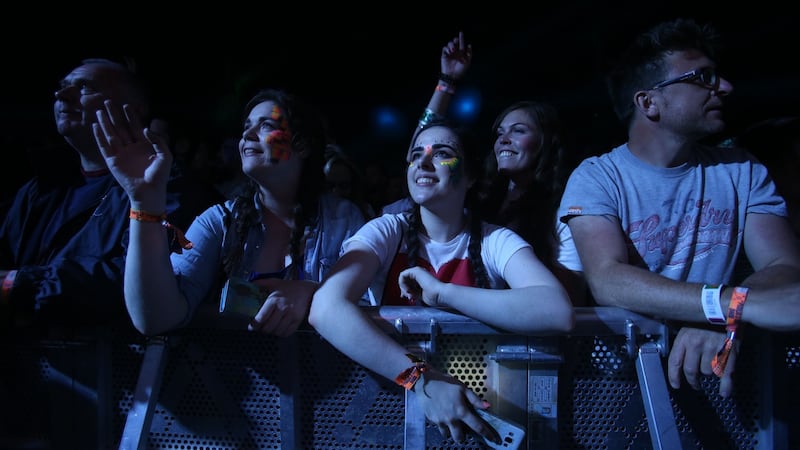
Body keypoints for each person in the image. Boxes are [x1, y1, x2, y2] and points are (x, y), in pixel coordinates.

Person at [557, 17, 800, 399]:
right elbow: (608, 280)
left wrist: (719, 318)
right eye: (702, 77)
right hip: (619, 386)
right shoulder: (598, 176)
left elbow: (784, 265)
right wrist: (727, 307)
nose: (724, 87)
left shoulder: (742, 170)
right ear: (649, 102)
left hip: (719, 381)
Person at [308, 119, 575, 443]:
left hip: (472, 419)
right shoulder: (386, 230)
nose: (423, 162)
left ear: (471, 176)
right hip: (389, 415)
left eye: (442, 153)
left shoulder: (495, 240)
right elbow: (325, 308)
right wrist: (423, 379)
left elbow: (557, 310)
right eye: (416, 154)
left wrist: (443, 293)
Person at [93, 87, 366, 337]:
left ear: (302, 145)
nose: (247, 135)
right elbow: (156, 318)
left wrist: (311, 293)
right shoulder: (219, 221)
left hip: (322, 375)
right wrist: (144, 202)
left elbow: (371, 305)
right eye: (246, 127)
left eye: (266, 126)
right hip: (233, 375)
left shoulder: (343, 220)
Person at [0, 58, 208, 328]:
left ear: (133, 109)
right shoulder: (41, 187)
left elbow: (141, 280)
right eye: (62, 86)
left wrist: (20, 284)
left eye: (84, 87)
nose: (61, 95)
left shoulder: (164, 187)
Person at [412, 32, 587, 305]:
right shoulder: (480, 197)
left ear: (546, 142)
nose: (504, 139)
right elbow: (422, 148)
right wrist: (446, 82)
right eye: (500, 132)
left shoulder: (563, 211)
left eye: (518, 131)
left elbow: (569, 296)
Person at [323, 144, 376, 220]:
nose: (336, 191)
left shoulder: (366, 211)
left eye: (344, 186)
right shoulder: (316, 214)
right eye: (330, 186)